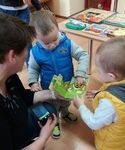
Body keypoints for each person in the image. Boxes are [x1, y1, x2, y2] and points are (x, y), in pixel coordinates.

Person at [0, 12, 69, 150]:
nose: (28, 52)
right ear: (12, 56)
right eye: (26, 48)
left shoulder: (8, 76)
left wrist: (53, 94)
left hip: (18, 124)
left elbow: (25, 97)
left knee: (49, 109)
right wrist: (42, 139)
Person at [73, 37, 125, 150]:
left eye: (99, 69)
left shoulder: (110, 104)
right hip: (124, 140)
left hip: (109, 145)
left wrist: (80, 106)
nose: (97, 71)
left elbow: (94, 122)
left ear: (111, 76)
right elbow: (123, 93)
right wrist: (100, 93)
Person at [28, 10, 89, 139]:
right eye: (46, 43)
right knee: (53, 106)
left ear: (58, 28)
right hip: (49, 88)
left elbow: (83, 55)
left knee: (66, 102)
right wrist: (33, 82)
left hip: (67, 84)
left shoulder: (67, 43)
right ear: (36, 38)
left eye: (55, 39)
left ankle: (65, 113)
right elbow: (32, 68)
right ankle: (55, 121)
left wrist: (80, 74)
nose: (52, 45)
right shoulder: (35, 52)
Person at [0, 0, 43, 66]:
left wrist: (39, 8)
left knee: (27, 41)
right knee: (5, 45)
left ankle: (31, 67)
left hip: (23, 10)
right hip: (3, 10)